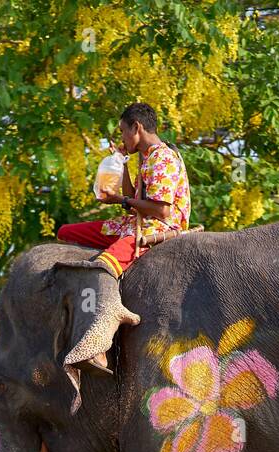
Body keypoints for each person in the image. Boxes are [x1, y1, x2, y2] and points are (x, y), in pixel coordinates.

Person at [54, 102, 191, 372]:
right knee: (66, 233)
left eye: (123, 132)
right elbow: (133, 199)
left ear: (137, 128)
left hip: (154, 230)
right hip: (132, 223)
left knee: (104, 265)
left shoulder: (162, 158)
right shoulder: (145, 157)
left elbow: (161, 210)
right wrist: (122, 167)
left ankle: (100, 343)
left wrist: (122, 199)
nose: (122, 138)